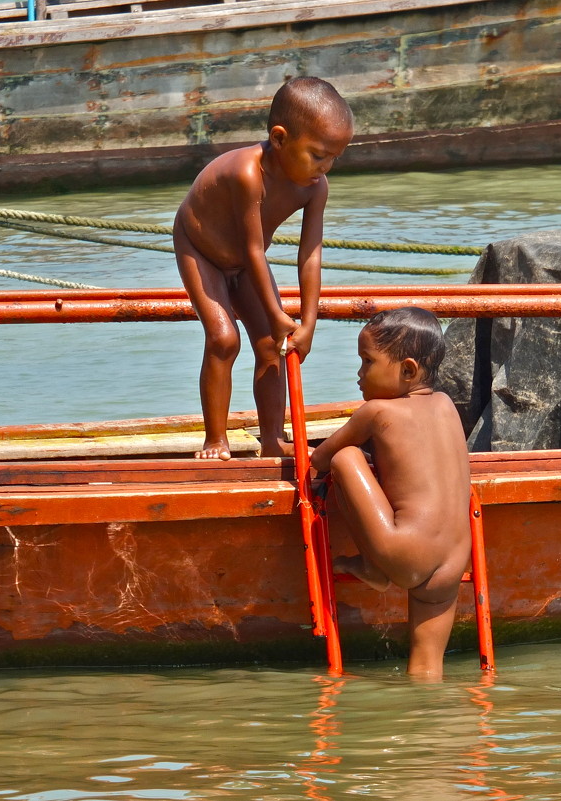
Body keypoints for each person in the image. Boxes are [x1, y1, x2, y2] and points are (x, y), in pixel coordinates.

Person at [173, 76, 354, 460]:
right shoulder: (247, 173)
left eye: (335, 157)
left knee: (273, 346)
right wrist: (275, 313)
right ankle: (215, 440)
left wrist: (307, 323)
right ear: (279, 138)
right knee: (224, 340)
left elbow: (311, 254)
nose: (326, 168)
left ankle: (272, 437)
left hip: (243, 260)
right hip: (200, 249)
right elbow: (255, 249)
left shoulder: (315, 187)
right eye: (318, 155)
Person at [310, 307, 472, 680]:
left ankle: (373, 568)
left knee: (347, 457)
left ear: (408, 370)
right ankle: (427, 731)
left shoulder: (376, 411)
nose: (359, 374)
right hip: (452, 562)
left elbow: (321, 457)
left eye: (367, 362)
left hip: (403, 551)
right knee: (428, 667)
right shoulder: (447, 406)